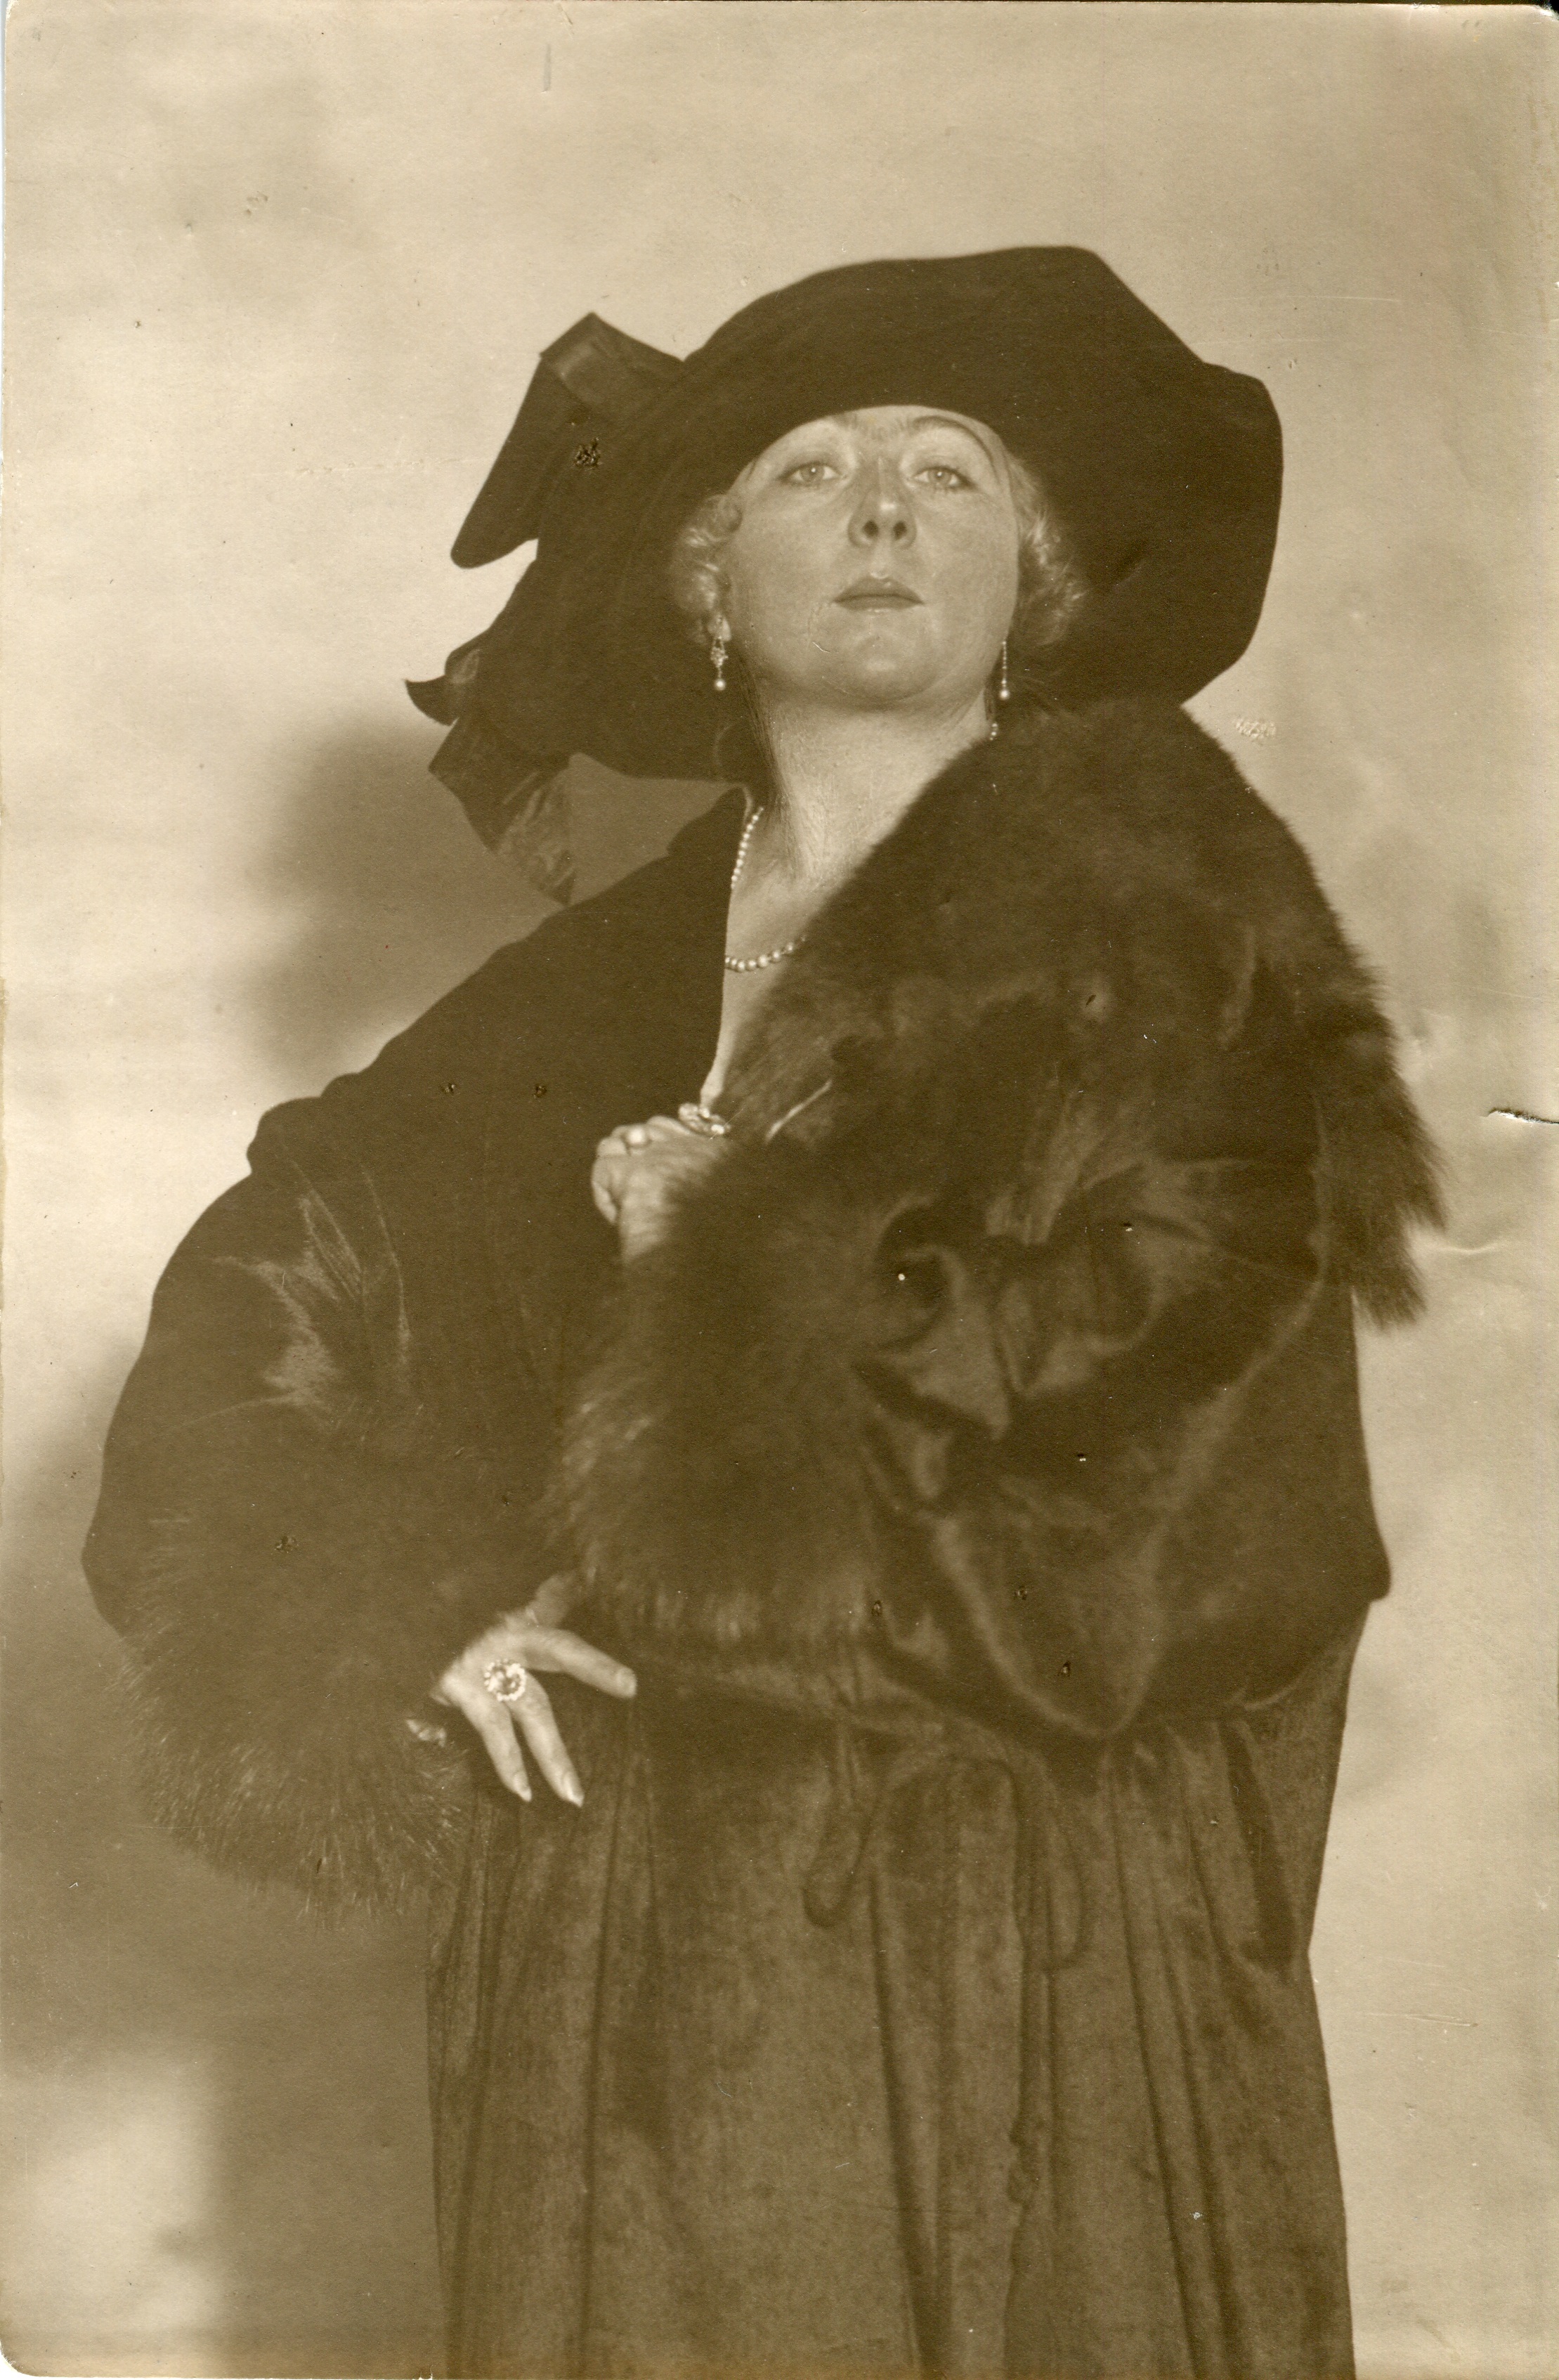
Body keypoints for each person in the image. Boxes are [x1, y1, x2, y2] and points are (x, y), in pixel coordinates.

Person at [84, 250, 1442, 2379]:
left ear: (1035, 584)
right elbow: (271, 1300)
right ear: (709, 588)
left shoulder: (1177, 938)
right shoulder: (569, 1006)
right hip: (614, 1949)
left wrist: (742, 1280)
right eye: (809, 469)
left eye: (950, 473)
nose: (882, 507)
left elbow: (1197, 1459)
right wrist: (383, 1607)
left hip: (1021, 1915)